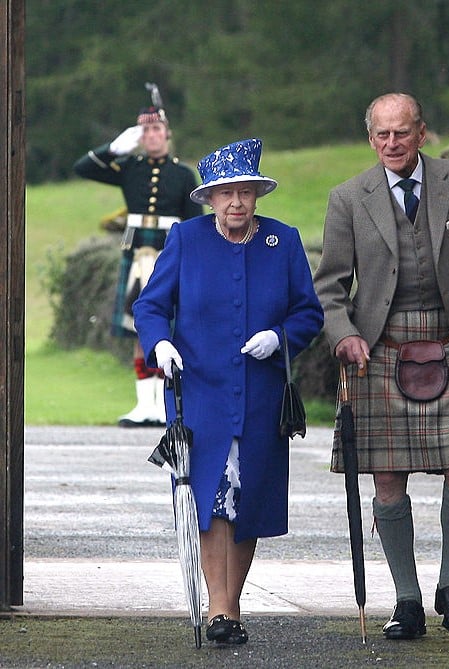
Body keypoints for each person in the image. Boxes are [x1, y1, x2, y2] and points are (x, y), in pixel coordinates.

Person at [314, 93, 449, 640]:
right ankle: (406, 600)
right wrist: (345, 335)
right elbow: (329, 287)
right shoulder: (349, 198)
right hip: (379, 347)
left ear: (421, 133)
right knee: (387, 476)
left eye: (402, 133)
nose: (392, 144)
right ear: (370, 137)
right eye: (382, 135)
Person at [132, 138, 323, 644]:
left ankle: (228, 605)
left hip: (260, 396)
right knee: (210, 497)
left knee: (248, 500)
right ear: (210, 199)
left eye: (245, 192)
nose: (236, 202)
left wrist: (279, 338)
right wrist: (161, 345)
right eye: (225, 194)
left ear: (257, 195)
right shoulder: (186, 239)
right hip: (201, 394)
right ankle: (222, 610)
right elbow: (150, 306)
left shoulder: (284, 241)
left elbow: (309, 313)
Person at [73, 98, 203, 427]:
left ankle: (163, 404)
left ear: (167, 134)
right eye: (145, 130)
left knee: (168, 327)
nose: (151, 135)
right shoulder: (130, 168)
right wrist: (114, 149)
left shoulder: (183, 175)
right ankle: (144, 404)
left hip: (169, 256)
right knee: (136, 329)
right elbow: (83, 168)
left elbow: (194, 224)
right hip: (136, 255)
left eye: (156, 129)